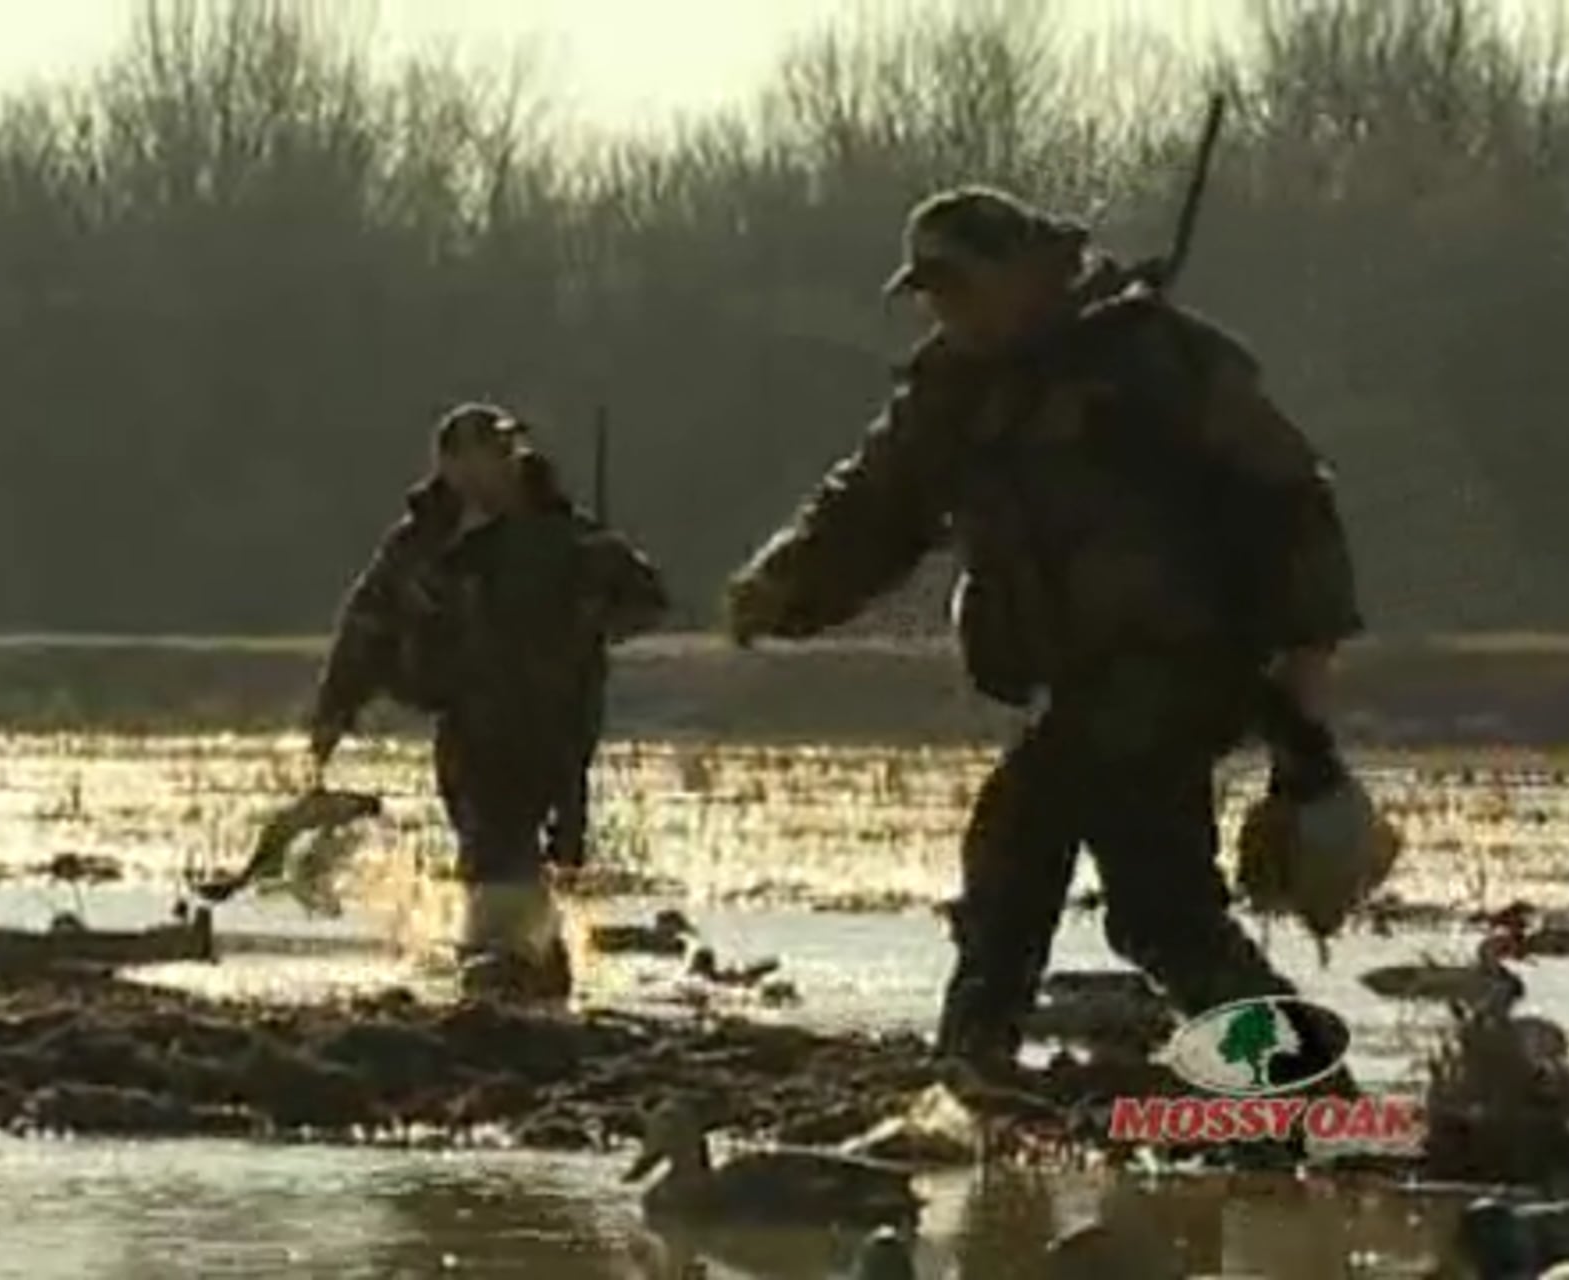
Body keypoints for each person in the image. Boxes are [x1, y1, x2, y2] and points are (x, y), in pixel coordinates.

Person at [723, 186, 1364, 1084]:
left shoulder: (1154, 358)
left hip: (1182, 665)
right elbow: (873, 505)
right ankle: (1293, 1091)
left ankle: (979, 1071)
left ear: (1027, 270)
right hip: (1080, 678)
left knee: (1044, 850)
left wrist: (1308, 668)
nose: (949, 310)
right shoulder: (953, 390)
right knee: (1126, 899)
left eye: (963, 287)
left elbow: (1294, 496)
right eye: (932, 295)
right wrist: (779, 587)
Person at [309, 403, 668, 1002]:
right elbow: (368, 625)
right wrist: (333, 712)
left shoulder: (564, 534)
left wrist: (594, 611)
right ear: (450, 463)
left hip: (557, 720)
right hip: (471, 721)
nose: (499, 466)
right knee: (492, 840)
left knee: (548, 848)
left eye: (505, 452)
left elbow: (647, 601)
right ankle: (502, 963)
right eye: (484, 454)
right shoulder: (422, 544)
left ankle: (529, 965)